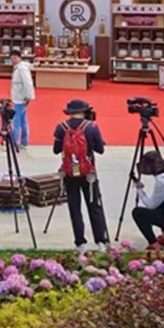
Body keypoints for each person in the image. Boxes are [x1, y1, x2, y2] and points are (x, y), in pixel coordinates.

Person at [53, 99, 109, 254]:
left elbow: (56, 150)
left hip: (70, 172)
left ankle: (80, 243)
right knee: (94, 207)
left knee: (74, 207)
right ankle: (101, 241)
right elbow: (100, 150)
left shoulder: (61, 127)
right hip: (88, 173)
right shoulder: (91, 127)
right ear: (84, 111)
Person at [9, 49, 35, 151]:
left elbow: (28, 83)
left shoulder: (22, 69)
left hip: (20, 99)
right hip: (18, 97)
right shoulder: (17, 68)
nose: (13, 60)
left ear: (20, 58)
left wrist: (28, 96)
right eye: (12, 59)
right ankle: (24, 141)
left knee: (16, 121)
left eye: (15, 58)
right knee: (23, 121)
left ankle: (14, 142)